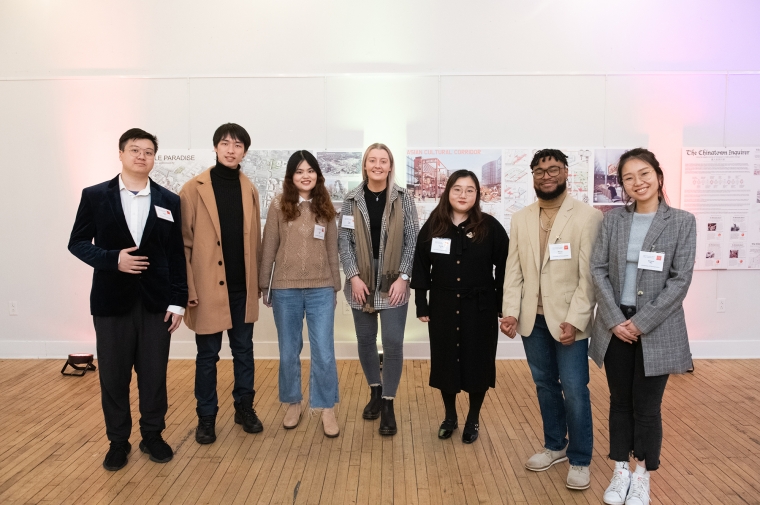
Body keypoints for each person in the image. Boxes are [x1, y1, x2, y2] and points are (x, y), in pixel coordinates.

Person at [68, 128, 187, 471]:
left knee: (154, 375)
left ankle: (152, 435)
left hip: (157, 304)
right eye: (135, 150)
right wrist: (112, 259)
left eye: (148, 152)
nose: (141, 156)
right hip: (111, 303)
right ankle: (118, 441)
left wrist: (178, 301)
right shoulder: (94, 196)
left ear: (153, 159)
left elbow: (176, 255)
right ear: (120, 154)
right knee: (113, 376)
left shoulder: (168, 201)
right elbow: (77, 243)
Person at [589, 149, 696, 505]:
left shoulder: (682, 222)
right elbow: (598, 270)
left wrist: (641, 322)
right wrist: (617, 320)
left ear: (659, 176)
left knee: (648, 406)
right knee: (619, 402)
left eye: (644, 173)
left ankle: (643, 475)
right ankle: (620, 469)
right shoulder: (614, 221)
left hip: (658, 328)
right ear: (623, 185)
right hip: (615, 325)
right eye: (629, 178)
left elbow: (680, 281)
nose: (638, 182)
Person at [500, 149, 603, 490]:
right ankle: (555, 444)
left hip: (567, 322)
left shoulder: (587, 217)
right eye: (540, 170)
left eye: (553, 169)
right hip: (533, 320)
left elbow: (589, 277)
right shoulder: (521, 218)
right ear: (532, 176)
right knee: (545, 385)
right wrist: (511, 312)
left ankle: (580, 457)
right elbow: (513, 271)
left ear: (565, 173)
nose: (547, 175)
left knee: (574, 388)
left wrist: (576, 319)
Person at [180, 123, 263, 445]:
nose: (231, 149)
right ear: (215, 147)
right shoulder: (193, 188)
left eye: (238, 145)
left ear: (244, 151)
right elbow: (184, 245)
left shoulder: (249, 189)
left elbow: (254, 241)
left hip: (242, 288)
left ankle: (245, 409)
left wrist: (257, 284)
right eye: (225, 143)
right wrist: (189, 289)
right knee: (207, 356)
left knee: (244, 351)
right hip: (206, 288)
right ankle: (207, 417)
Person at [411, 170, 509, 444]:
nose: (463, 195)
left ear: (477, 195)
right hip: (442, 305)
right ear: (447, 191)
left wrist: (502, 304)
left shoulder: (490, 227)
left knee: (478, 363)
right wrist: (421, 303)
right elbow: (420, 265)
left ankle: (473, 418)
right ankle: (450, 416)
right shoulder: (434, 225)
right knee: (446, 363)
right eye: (457, 189)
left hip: (480, 308)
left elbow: (505, 268)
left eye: (469, 190)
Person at [259, 150, 342, 437]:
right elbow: (268, 246)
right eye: (299, 171)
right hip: (285, 289)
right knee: (288, 351)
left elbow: (333, 248)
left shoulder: (326, 206)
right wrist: (264, 284)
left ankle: (326, 406)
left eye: (310, 170)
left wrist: (334, 286)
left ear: (317, 175)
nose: (305, 175)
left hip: (320, 289)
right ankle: (293, 402)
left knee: (324, 352)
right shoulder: (279, 205)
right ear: (291, 177)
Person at [338, 143, 419, 436]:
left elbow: (412, 239)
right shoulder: (351, 199)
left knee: (394, 341)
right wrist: (354, 276)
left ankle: (388, 403)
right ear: (365, 165)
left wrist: (404, 276)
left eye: (382, 161)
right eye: (372, 160)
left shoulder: (403, 198)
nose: (377, 165)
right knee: (365, 339)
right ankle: (375, 389)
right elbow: (344, 241)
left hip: (393, 278)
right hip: (361, 278)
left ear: (390, 166)